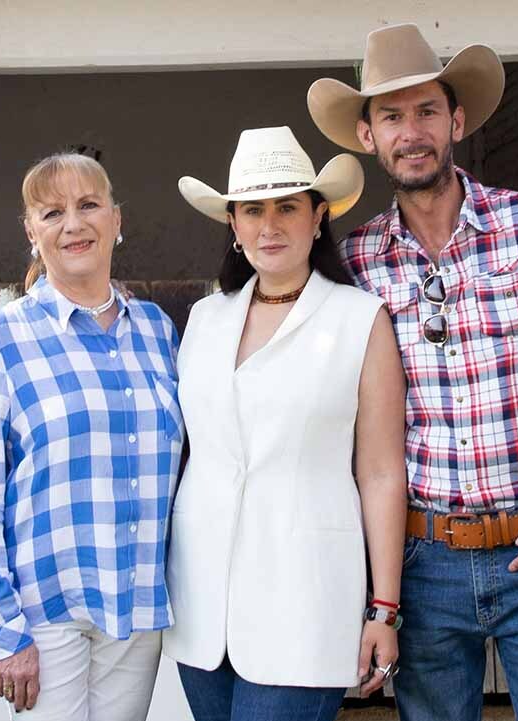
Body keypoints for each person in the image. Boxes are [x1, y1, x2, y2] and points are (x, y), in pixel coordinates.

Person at [308, 24, 518, 721]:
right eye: (391, 116)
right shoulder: (359, 263)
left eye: (427, 110)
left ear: (456, 120)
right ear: (367, 136)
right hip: (424, 564)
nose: (412, 131)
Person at [164, 126, 409, 721]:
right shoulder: (204, 318)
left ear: (318, 215)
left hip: (306, 596)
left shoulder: (359, 319)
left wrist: (383, 608)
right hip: (201, 601)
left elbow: (379, 472)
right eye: (252, 209)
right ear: (233, 224)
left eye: (287, 206)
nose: (269, 225)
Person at [0, 152, 184, 720]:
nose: (73, 224)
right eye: (52, 213)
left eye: (88, 205)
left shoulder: (155, 330)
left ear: (117, 220)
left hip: (137, 605)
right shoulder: (1, 339)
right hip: (45, 615)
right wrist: (4, 631)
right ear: (32, 233)